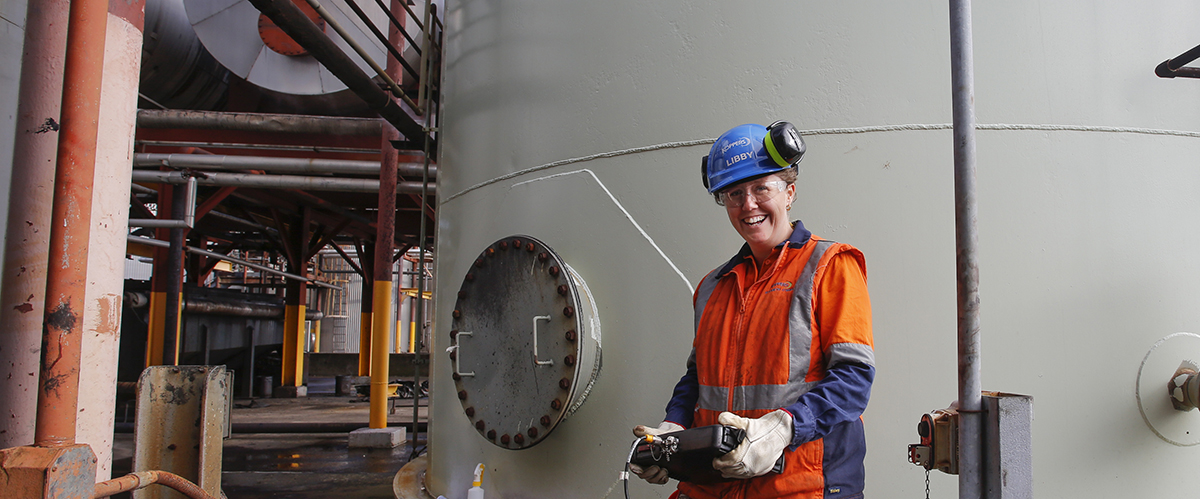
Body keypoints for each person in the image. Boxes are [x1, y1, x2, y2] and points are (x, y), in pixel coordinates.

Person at [630, 122, 875, 499]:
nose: (748, 205)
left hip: (802, 487)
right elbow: (697, 380)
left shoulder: (829, 266)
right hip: (714, 486)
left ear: (789, 192)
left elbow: (853, 379)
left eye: (762, 187)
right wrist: (671, 429)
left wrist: (782, 428)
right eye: (734, 193)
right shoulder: (713, 286)